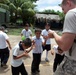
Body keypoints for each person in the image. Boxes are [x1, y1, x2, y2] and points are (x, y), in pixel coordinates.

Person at [48, 0, 76, 75]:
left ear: (68, 3)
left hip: (73, 62)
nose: (63, 12)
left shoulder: (72, 13)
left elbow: (64, 46)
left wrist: (54, 34)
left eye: (63, 9)